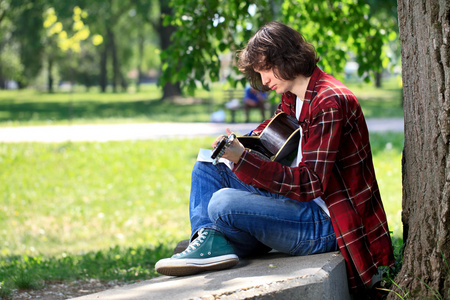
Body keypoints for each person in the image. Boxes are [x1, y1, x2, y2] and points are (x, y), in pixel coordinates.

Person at [155, 21, 394, 295]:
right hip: (295, 205)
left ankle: (218, 239)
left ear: (286, 57)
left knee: (222, 202)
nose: (265, 81)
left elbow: (309, 183)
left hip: (326, 223)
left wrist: (243, 159)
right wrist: (236, 145)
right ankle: (209, 240)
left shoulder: (329, 101)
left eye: (266, 70)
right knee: (207, 166)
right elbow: (273, 137)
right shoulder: (296, 95)